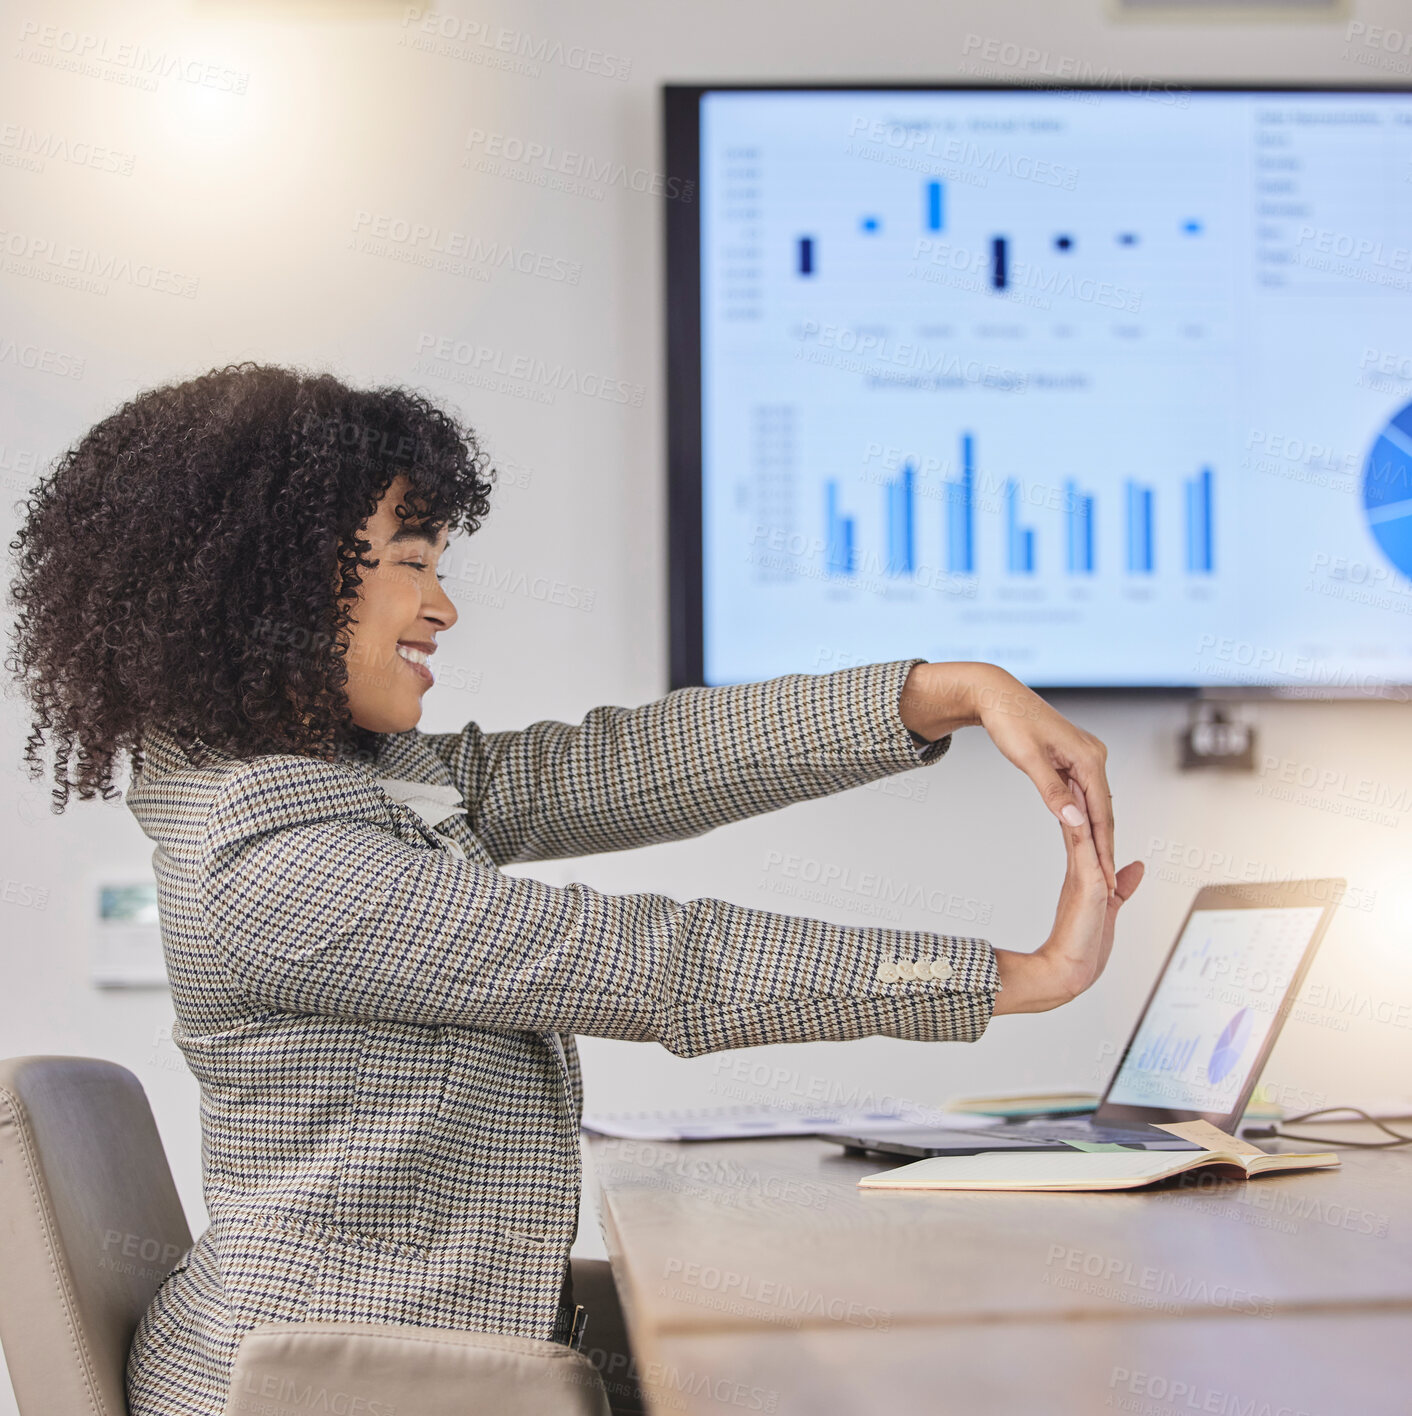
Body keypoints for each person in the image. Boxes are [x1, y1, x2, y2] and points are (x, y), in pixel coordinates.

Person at [6, 363, 1143, 1416]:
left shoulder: (338, 790)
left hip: (408, 1360)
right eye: (410, 563)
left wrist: (946, 691)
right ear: (271, 582)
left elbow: (621, 763)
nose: (442, 608)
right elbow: (645, 962)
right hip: (327, 1388)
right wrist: (1016, 978)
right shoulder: (270, 862)